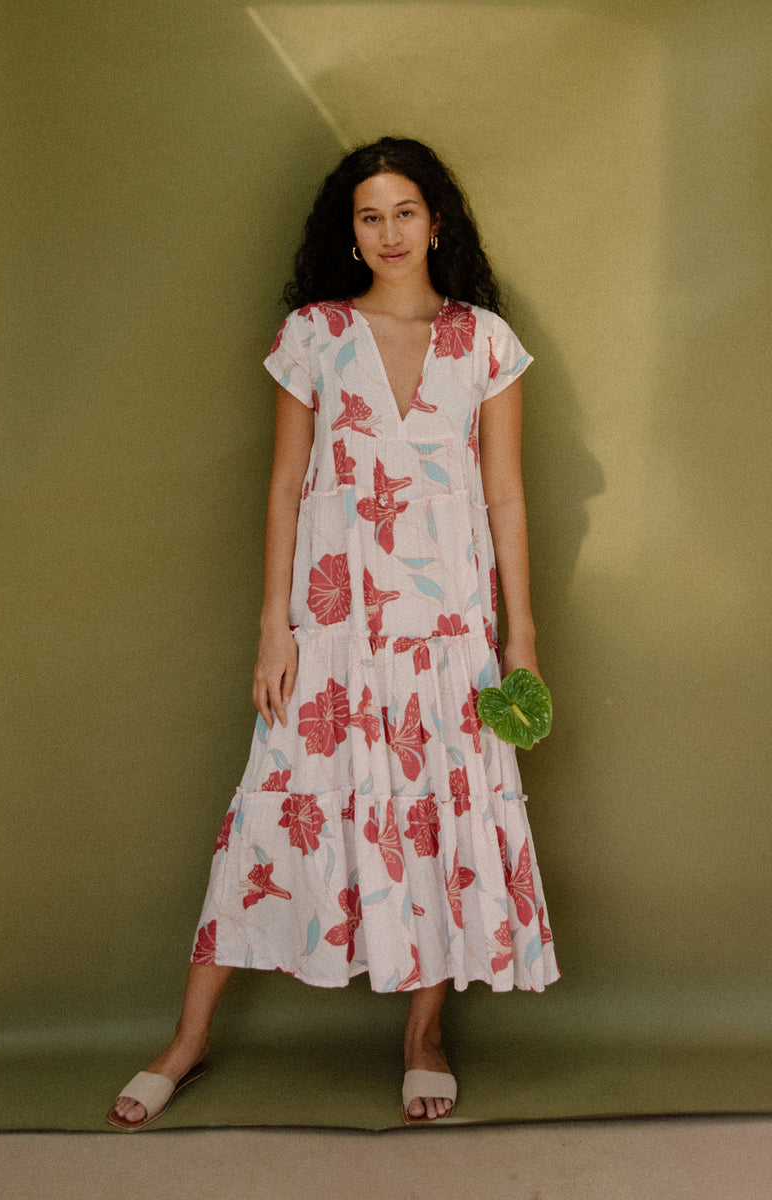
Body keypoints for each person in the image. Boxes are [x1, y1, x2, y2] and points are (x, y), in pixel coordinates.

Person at [107, 136, 559, 1131]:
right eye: (369, 214)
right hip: (335, 628)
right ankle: (185, 1042)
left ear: (436, 220)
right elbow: (281, 488)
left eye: (405, 211)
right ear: (347, 234)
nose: (390, 231)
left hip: (447, 632)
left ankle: (422, 1036)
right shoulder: (313, 334)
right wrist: (275, 628)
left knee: (438, 819)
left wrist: (517, 637)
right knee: (272, 810)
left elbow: (506, 497)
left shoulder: (482, 340)